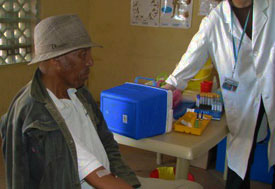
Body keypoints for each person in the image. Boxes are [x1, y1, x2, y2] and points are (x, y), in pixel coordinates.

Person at [0, 14, 140, 189]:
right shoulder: (34, 112)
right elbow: (19, 178)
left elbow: (108, 144)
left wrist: (129, 182)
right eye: (83, 55)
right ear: (55, 60)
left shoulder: (80, 93)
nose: (90, 61)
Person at [163, 0, 275, 188]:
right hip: (243, 95)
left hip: (272, 83)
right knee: (241, 152)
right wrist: (170, 86)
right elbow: (193, 55)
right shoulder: (215, 20)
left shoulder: (270, 7)